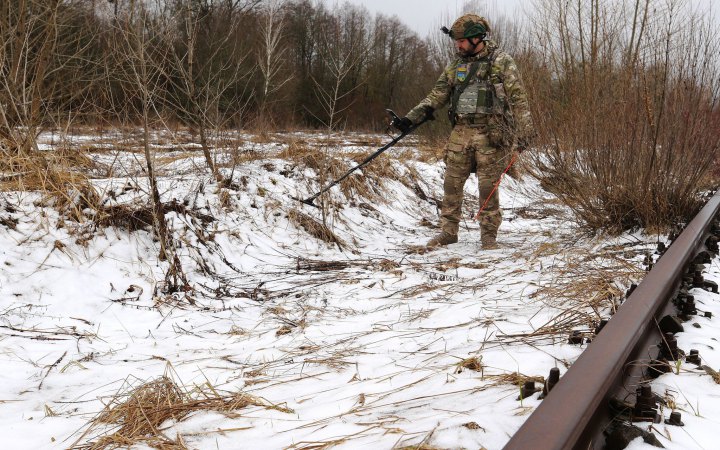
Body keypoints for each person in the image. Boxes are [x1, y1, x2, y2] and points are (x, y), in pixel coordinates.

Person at [393, 14, 535, 250]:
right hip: (461, 132)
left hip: (491, 133)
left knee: (488, 187)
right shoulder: (456, 65)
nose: (457, 45)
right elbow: (437, 95)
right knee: (451, 184)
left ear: (477, 38)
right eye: (456, 41)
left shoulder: (501, 61)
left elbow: (519, 99)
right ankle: (448, 232)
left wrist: (526, 131)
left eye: (461, 41)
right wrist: (411, 117)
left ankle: (488, 237)